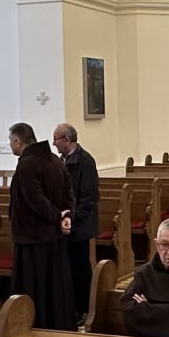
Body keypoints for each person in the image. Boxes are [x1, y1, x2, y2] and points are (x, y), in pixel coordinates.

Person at [6, 122, 76, 330]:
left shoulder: (26, 164)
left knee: (36, 288)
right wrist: (66, 216)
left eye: (11, 141)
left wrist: (57, 216)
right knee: (54, 287)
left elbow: (34, 199)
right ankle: (59, 325)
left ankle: (35, 326)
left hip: (33, 239)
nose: (10, 145)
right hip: (54, 236)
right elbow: (69, 193)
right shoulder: (55, 160)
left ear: (18, 141)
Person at [52, 123, 100, 317]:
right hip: (63, 224)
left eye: (56, 139)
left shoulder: (85, 161)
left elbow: (89, 198)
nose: (54, 144)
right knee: (66, 268)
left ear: (66, 139)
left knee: (80, 268)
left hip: (79, 226)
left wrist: (71, 218)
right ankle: (69, 308)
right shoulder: (59, 161)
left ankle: (85, 309)